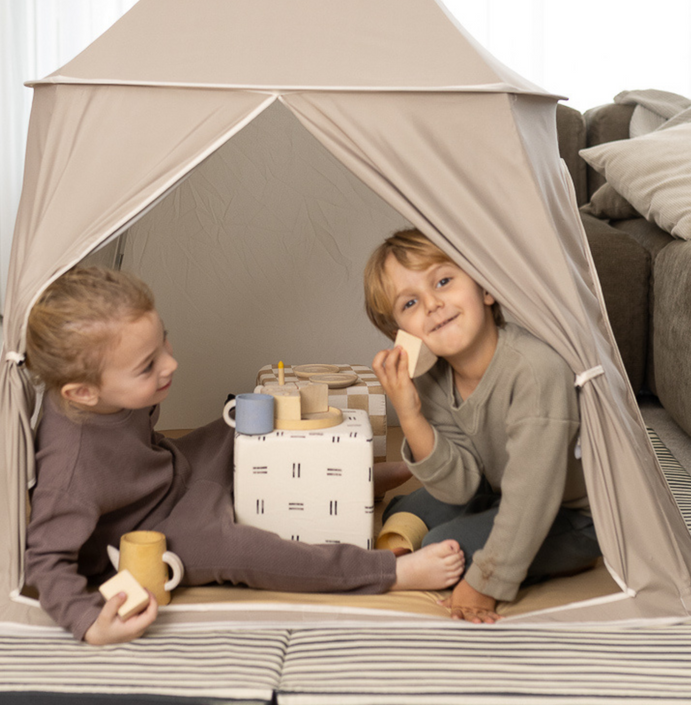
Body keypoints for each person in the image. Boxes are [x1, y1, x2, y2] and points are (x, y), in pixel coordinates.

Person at [23, 265, 465, 645]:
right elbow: (44, 562)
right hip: (158, 533)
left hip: (177, 471)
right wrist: (88, 625)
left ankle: (349, 477)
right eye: (147, 365)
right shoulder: (69, 469)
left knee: (243, 421)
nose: (170, 365)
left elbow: (143, 449)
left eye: (164, 344)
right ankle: (387, 572)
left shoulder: (104, 392)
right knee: (243, 551)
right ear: (82, 392)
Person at [364, 229, 600, 624]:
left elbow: (532, 495)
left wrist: (486, 583)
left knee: (445, 545)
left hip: (572, 514)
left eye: (443, 281)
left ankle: (552, 556)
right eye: (410, 302)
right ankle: (409, 545)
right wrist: (409, 411)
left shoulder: (535, 371)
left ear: (486, 289)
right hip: (494, 489)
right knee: (412, 504)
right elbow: (458, 487)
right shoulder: (433, 379)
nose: (433, 304)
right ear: (402, 335)